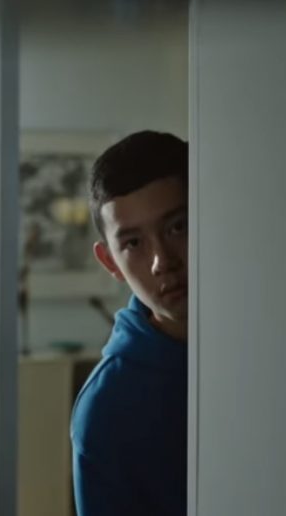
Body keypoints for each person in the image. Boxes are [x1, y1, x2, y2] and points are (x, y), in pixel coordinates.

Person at [71, 130, 189, 516]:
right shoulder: (107, 408)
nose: (162, 262)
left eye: (177, 227)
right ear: (110, 262)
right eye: (134, 243)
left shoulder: (276, 337)